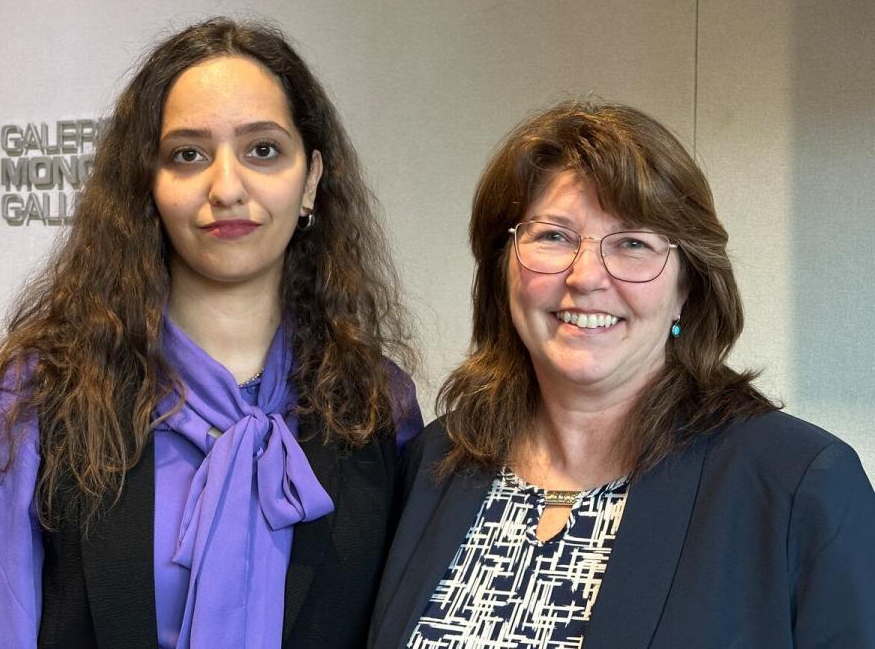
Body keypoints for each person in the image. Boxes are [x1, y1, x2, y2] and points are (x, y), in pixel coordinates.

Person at [0, 18, 422, 649]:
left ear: (312, 178)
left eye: (263, 149)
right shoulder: (34, 402)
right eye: (188, 154)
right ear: (148, 185)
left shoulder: (379, 407)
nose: (226, 187)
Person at [370, 101, 875, 648]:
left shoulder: (799, 484)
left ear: (687, 286)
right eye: (553, 236)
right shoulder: (436, 462)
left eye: (633, 243)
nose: (585, 277)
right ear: (504, 267)